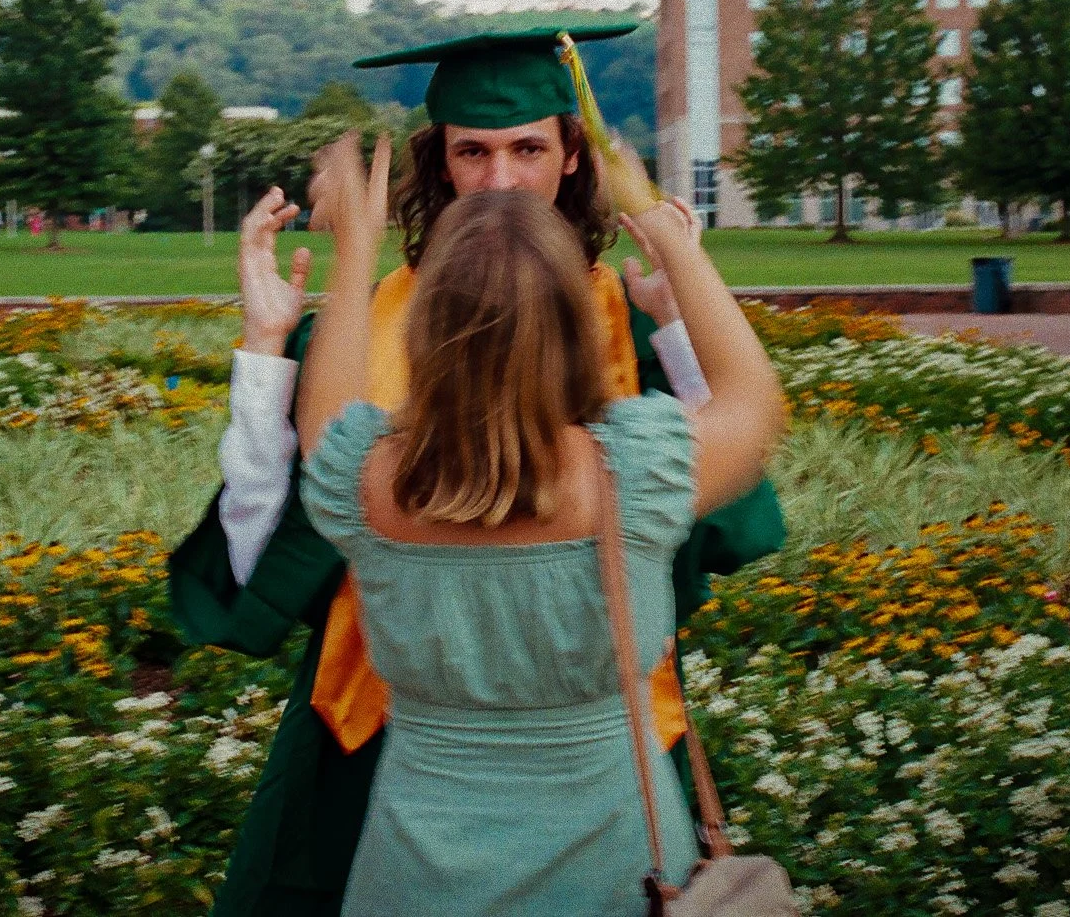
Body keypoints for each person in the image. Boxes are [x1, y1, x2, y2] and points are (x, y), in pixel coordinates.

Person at [168, 25, 785, 916]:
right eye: (473, 152)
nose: (500, 181)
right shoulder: (639, 453)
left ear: (573, 158)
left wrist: (342, 266)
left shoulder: (368, 442)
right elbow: (745, 425)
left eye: (528, 148)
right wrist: (670, 237)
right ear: (440, 163)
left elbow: (327, 449)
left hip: (427, 818)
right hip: (377, 727)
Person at [293, 139, 785, 914]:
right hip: (619, 871)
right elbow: (755, 405)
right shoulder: (636, 472)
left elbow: (322, 407)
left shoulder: (363, 479)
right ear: (575, 322)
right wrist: (661, 227)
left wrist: (354, 250)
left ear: (423, 324)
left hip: (416, 877)